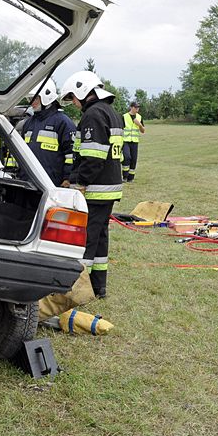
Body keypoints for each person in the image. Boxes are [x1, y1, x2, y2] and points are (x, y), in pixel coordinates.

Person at [59, 71, 123, 299]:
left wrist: (81, 183)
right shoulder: (111, 112)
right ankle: (99, 286)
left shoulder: (93, 115)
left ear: (84, 91)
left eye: (73, 98)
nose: (74, 104)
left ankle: (79, 289)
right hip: (110, 187)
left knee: (86, 238)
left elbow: (93, 156)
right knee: (100, 238)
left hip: (96, 188)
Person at [19, 78, 75, 186]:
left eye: (35, 98)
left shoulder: (63, 123)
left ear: (47, 96)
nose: (32, 102)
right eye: (30, 98)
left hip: (52, 185)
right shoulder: (28, 123)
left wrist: (68, 178)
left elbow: (71, 154)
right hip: (28, 183)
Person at [122, 101, 145, 182]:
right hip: (125, 141)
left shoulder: (139, 117)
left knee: (133, 160)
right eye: (135, 107)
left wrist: (139, 125)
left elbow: (143, 131)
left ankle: (130, 178)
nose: (137, 109)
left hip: (135, 141)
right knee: (127, 157)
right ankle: (124, 176)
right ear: (131, 107)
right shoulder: (124, 116)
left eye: (138, 107)